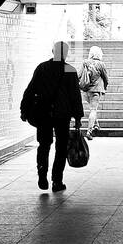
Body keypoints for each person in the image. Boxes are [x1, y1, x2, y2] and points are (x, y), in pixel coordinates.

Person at [20, 40, 85, 192]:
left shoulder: (42, 68)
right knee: (61, 147)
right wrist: (78, 117)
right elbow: (75, 96)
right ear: (66, 53)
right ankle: (57, 181)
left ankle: (42, 174)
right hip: (62, 115)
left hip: (43, 114)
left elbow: (30, 90)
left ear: (52, 51)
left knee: (44, 145)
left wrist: (24, 110)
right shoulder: (70, 70)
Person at [78, 46, 109, 140]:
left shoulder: (85, 63)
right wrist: (105, 87)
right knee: (93, 110)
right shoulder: (101, 64)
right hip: (96, 90)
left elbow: (79, 75)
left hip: (85, 90)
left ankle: (96, 125)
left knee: (92, 109)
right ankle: (89, 131)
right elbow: (105, 77)